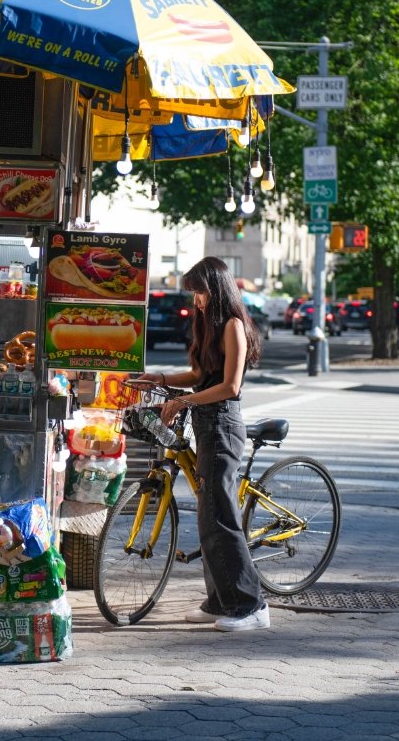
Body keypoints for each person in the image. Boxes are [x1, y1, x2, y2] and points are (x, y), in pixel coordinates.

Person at [139, 257, 269, 632]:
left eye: (199, 291)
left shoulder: (233, 325)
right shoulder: (209, 326)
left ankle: (251, 606)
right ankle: (219, 601)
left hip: (224, 425)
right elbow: (199, 375)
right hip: (207, 424)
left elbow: (230, 386)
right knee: (208, 516)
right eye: (194, 292)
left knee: (221, 517)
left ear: (216, 288)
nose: (196, 299)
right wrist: (160, 377)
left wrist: (183, 400)